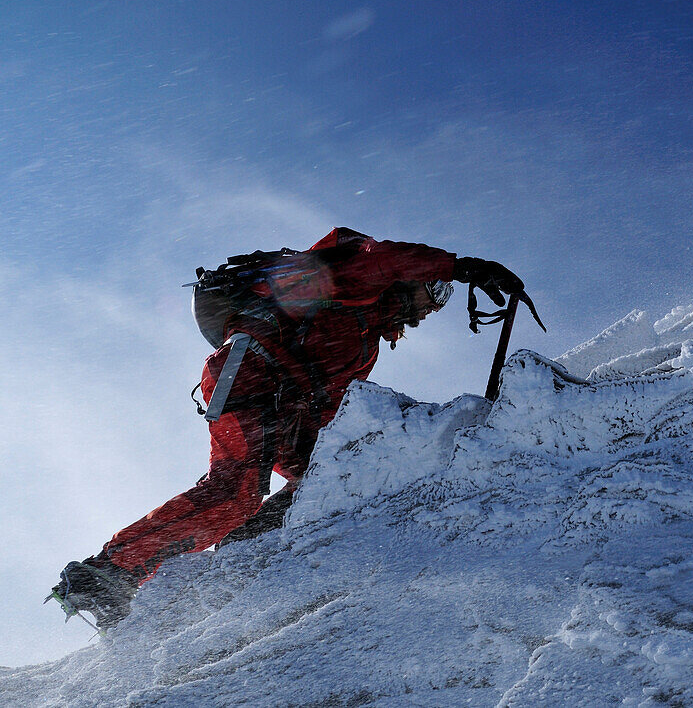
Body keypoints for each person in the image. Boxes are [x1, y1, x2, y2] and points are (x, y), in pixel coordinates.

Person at [51, 227, 526, 629]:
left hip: (288, 401)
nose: (434, 307)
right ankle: (105, 574)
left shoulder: (364, 341)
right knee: (236, 489)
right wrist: (459, 267)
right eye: (433, 293)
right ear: (409, 279)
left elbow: (334, 412)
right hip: (250, 368)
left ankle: (243, 545)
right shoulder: (354, 281)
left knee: (330, 476)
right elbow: (380, 259)